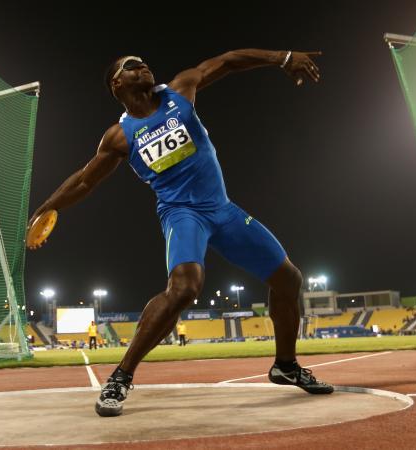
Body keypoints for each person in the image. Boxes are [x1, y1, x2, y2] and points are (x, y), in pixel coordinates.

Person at [29, 48, 332, 417]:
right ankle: (121, 378)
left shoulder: (180, 90)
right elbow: (84, 180)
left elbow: (228, 61)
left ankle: (285, 365)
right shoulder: (119, 137)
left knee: (289, 280)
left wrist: (282, 58)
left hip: (223, 210)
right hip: (182, 214)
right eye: (131, 65)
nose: (143, 66)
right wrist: (46, 208)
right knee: (185, 288)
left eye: (143, 62)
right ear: (117, 83)